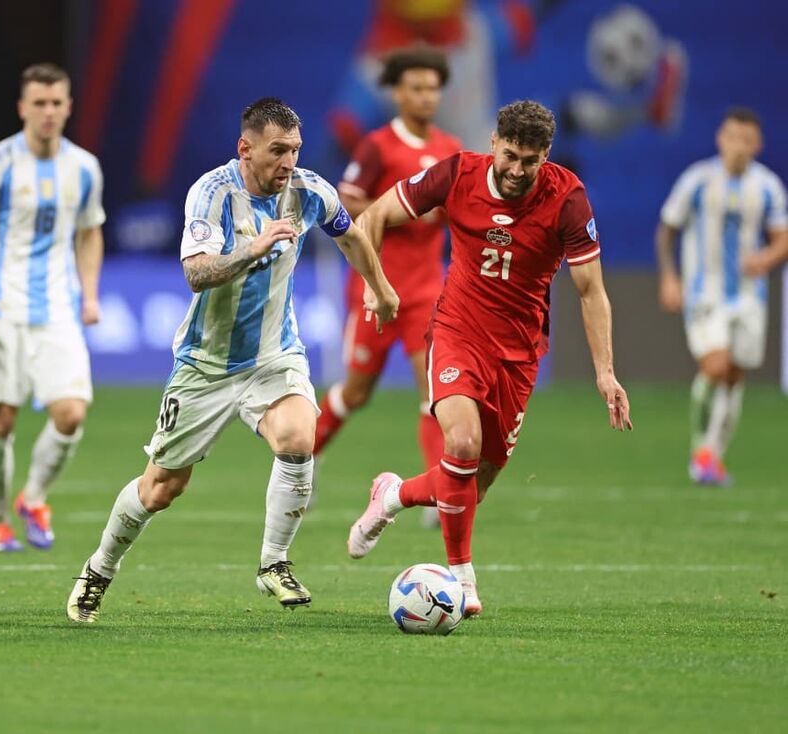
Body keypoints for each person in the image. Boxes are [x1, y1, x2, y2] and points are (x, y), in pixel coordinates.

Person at [65, 98, 399, 623]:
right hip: (205, 364)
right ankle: (98, 570)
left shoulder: (309, 190)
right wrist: (254, 248)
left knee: (298, 436)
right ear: (245, 148)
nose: (287, 161)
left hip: (275, 354)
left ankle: (274, 563)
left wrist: (379, 287)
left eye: (294, 149)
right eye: (276, 150)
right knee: (162, 487)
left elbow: (351, 234)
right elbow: (196, 273)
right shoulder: (213, 193)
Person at [346, 100, 632, 617]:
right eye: (511, 156)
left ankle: (391, 495)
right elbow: (375, 215)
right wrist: (376, 286)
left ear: (545, 155)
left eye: (531, 160)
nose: (518, 170)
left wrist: (605, 372)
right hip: (457, 330)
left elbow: (591, 291)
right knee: (462, 441)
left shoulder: (567, 198)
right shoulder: (458, 173)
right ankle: (462, 579)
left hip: (520, 352)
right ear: (494, 143)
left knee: (472, 485)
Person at [0, 63, 105, 552]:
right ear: (23, 107)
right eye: (38, 103)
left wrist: (90, 294)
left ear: (68, 107)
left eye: (56, 102)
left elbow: (89, 231)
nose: (47, 112)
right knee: (1, 421)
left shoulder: (84, 167)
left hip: (57, 310)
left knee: (71, 413)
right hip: (1, 311)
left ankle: (34, 498)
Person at [315, 44, 461, 502]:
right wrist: (403, 210)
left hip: (425, 290)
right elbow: (346, 199)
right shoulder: (378, 145)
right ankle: (303, 457)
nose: (425, 97)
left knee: (432, 390)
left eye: (433, 89)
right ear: (397, 93)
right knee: (355, 393)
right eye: (416, 88)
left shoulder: (450, 151)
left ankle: (438, 492)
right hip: (373, 286)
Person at [656, 107, 788, 486]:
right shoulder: (698, 180)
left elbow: (782, 239)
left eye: (747, 140)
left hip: (749, 297)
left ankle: (712, 455)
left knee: (733, 375)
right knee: (715, 365)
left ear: (757, 145)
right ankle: (702, 450)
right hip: (705, 291)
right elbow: (668, 229)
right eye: (733, 137)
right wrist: (669, 277)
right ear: (721, 138)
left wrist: (765, 258)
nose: (739, 146)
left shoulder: (767, 186)